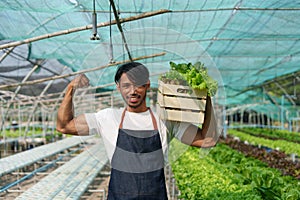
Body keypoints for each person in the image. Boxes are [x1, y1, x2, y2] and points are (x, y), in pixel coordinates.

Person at [56, 62, 217, 200]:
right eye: (126, 85)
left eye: (138, 85)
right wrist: (71, 88)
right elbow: (64, 126)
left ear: (147, 85)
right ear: (118, 87)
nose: (132, 91)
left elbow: (207, 140)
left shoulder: (165, 119)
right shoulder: (107, 117)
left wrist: (206, 98)